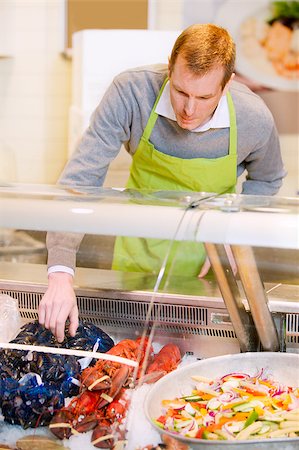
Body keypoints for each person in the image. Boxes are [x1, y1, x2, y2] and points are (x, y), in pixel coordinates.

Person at [39, 23, 286, 342]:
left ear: (227, 86)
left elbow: (268, 179)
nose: (189, 109)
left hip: (210, 269)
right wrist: (60, 272)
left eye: (204, 96)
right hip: (137, 253)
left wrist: (232, 231)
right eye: (180, 91)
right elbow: (80, 181)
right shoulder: (132, 92)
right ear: (170, 69)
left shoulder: (254, 117)